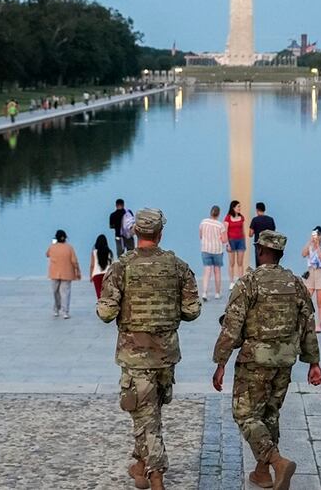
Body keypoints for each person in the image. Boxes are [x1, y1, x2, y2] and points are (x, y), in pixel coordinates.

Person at [98, 208, 201, 490]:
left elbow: (106, 313)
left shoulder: (121, 266)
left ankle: (156, 476)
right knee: (149, 412)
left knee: (145, 415)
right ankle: (140, 466)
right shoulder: (177, 266)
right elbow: (193, 310)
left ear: (135, 232)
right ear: (160, 234)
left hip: (135, 354)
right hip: (166, 355)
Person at [212, 230, 321, 490]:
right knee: (270, 414)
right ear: (280, 255)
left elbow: (232, 326)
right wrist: (314, 362)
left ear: (260, 251)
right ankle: (262, 473)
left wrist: (221, 363)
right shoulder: (295, 283)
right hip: (285, 361)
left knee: (245, 414)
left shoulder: (248, 282)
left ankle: (276, 461)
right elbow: (307, 323)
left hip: (255, 360)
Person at [47, 229, 81, 318]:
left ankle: (56, 309)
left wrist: (54, 244)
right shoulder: (69, 248)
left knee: (55, 292)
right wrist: (78, 271)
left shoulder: (52, 247)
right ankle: (65, 311)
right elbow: (74, 261)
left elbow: (47, 254)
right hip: (67, 273)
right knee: (65, 293)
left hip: (54, 273)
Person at [302, 226, 321, 332]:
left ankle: (319, 325)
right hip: (311, 273)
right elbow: (303, 254)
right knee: (306, 298)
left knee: (320, 301)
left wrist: (317, 245)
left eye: (316, 235)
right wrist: (310, 242)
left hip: (320, 273)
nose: (315, 237)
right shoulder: (310, 246)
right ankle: (306, 322)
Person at [199, 205, 226, 301]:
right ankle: (217, 293)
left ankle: (204, 292)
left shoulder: (203, 222)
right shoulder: (220, 225)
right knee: (217, 271)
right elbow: (224, 239)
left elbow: (201, 235)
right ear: (218, 214)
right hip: (217, 250)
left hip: (205, 249)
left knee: (207, 271)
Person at [248, 201, 276, 269]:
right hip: (268, 244)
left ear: (257, 210)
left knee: (259, 264)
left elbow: (250, 234)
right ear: (264, 209)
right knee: (268, 263)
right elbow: (273, 232)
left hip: (259, 245)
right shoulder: (270, 219)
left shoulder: (255, 220)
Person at [224, 200, 247, 282]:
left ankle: (240, 280)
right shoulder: (228, 217)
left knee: (240, 262)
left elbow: (243, 230)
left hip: (240, 240)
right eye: (238, 206)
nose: (239, 208)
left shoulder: (241, 217)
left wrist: (244, 241)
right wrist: (227, 244)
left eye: (240, 206)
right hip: (231, 241)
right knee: (232, 263)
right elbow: (225, 231)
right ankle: (231, 281)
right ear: (233, 208)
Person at [90, 234, 113, 299]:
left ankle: (100, 308)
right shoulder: (109, 252)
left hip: (96, 275)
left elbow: (92, 265)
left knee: (99, 295)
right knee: (107, 294)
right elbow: (111, 265)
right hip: (107, 275)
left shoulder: (94, 252)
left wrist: (91, 276)